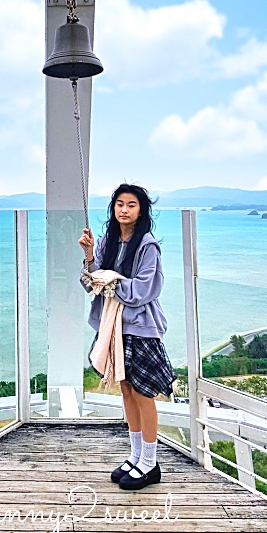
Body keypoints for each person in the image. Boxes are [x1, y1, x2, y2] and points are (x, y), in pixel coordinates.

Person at [78, 183, 175, 491]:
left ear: (141, 210)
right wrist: (90, 255)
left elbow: (144, 290)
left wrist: (109, 282)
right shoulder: (109, 240)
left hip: (140, 328)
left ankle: (150, 462)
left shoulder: (147, 245)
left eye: (131, 205)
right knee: (126, 391)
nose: (124, 209)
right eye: (119, 203)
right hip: (115, 326)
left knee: (144, 394)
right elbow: (92, 280)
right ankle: (136, 457)